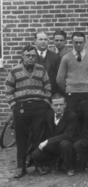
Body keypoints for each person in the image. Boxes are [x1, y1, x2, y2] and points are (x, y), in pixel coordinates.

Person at [5, 44, 52, 178]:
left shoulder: (41, 69)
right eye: (28, 56)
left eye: (33, 56)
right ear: (22, 56)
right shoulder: (14, 71)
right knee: (21, 138)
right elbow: (8, 89)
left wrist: (45, 102)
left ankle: (38, 165)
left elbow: (48, 86)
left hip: (39, 107)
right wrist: (14, 105)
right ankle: (21, 167)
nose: (31, 58)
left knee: (38, 137)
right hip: (21, 107)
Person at [31, 93, 77, 176]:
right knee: (35, 155)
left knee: (65, 144)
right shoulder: (48, 115)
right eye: (56, 105)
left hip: (65, 145)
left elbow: (68, 135)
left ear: (65, 105)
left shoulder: (71, 115)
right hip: (53, 146)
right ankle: (54, 163)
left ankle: (69, 167)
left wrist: (48, 141)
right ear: (51, 105)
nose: (58, 107)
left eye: (61, 104)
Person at [57, 32, 88, 114]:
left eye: (80, 42)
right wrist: (68, 88)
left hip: (87, 93)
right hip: (71, 93)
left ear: (84, 42)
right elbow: (60, 79)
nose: (78, 45)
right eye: (76, 42)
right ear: (72, 42)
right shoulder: (66, 58)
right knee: (72, 116)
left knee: (86, 116)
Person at [35, 31, 61, 95]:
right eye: (40, 39)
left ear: (48, 41)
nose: (43, 41)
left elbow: (59, 77)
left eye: (45, 39)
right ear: (35, 41)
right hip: (34, 92)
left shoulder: (55, 57)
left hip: (51, 92)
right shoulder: (29, 56)